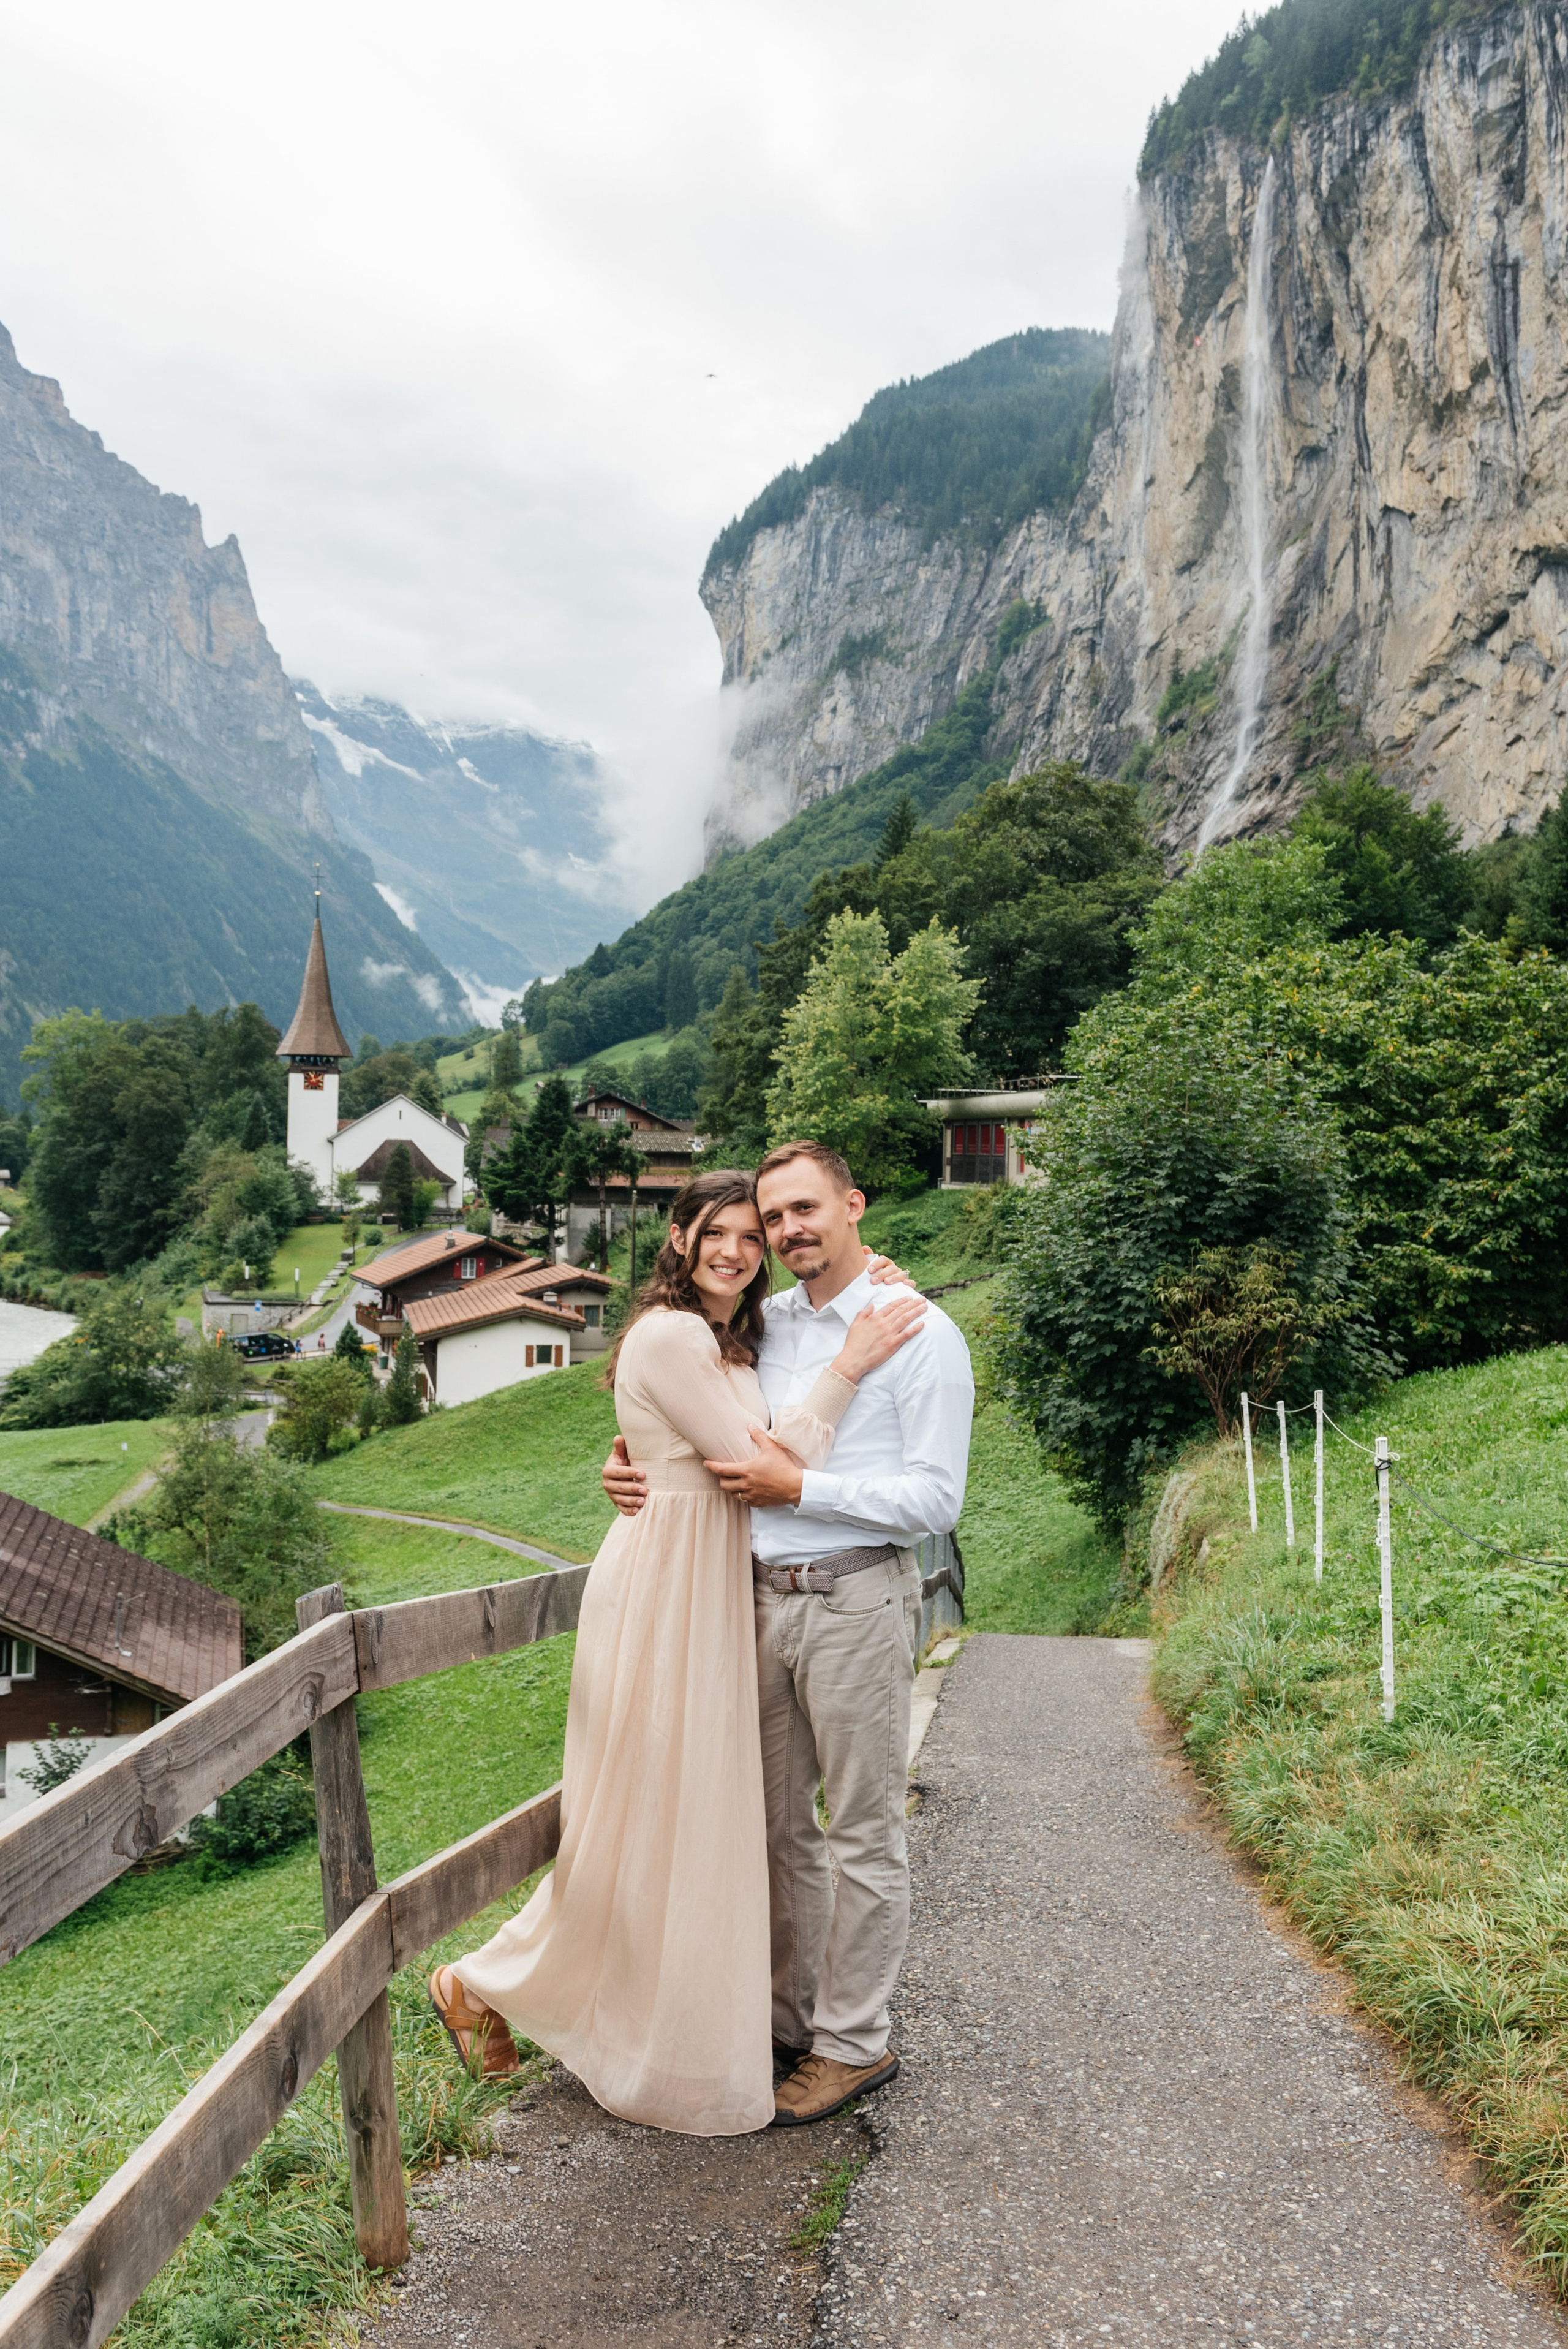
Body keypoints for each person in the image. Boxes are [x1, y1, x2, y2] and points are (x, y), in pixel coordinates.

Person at [427, 1168, 926, 2135]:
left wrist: (866, 1293)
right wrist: (854, 1361)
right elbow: (770, 1465)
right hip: (664, 1595)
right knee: (637, 1821)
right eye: (718, 1232)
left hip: (714, 1590)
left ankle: (670, 2016)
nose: (738, 1248)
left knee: (687, 1827)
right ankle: (483, 1979)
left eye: (753, 1232)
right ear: (679, 1236)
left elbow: (705, 1426)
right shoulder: (668, 1332)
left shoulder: (736, 1332)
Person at [603, 1140, 975, 2127]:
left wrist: (804, 1487)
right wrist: (631, 1456)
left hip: (855, 1599)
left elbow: (938, 1496)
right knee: (773, 1827)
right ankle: (792, 2016)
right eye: (775, 1219)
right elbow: (702, 1412)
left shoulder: (918, 1329)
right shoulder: (765, 1326)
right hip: (754, 1598)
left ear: (854, 1205)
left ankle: (855, 2043)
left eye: (805, 1209)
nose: (786, 1230)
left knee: (860, 1829)